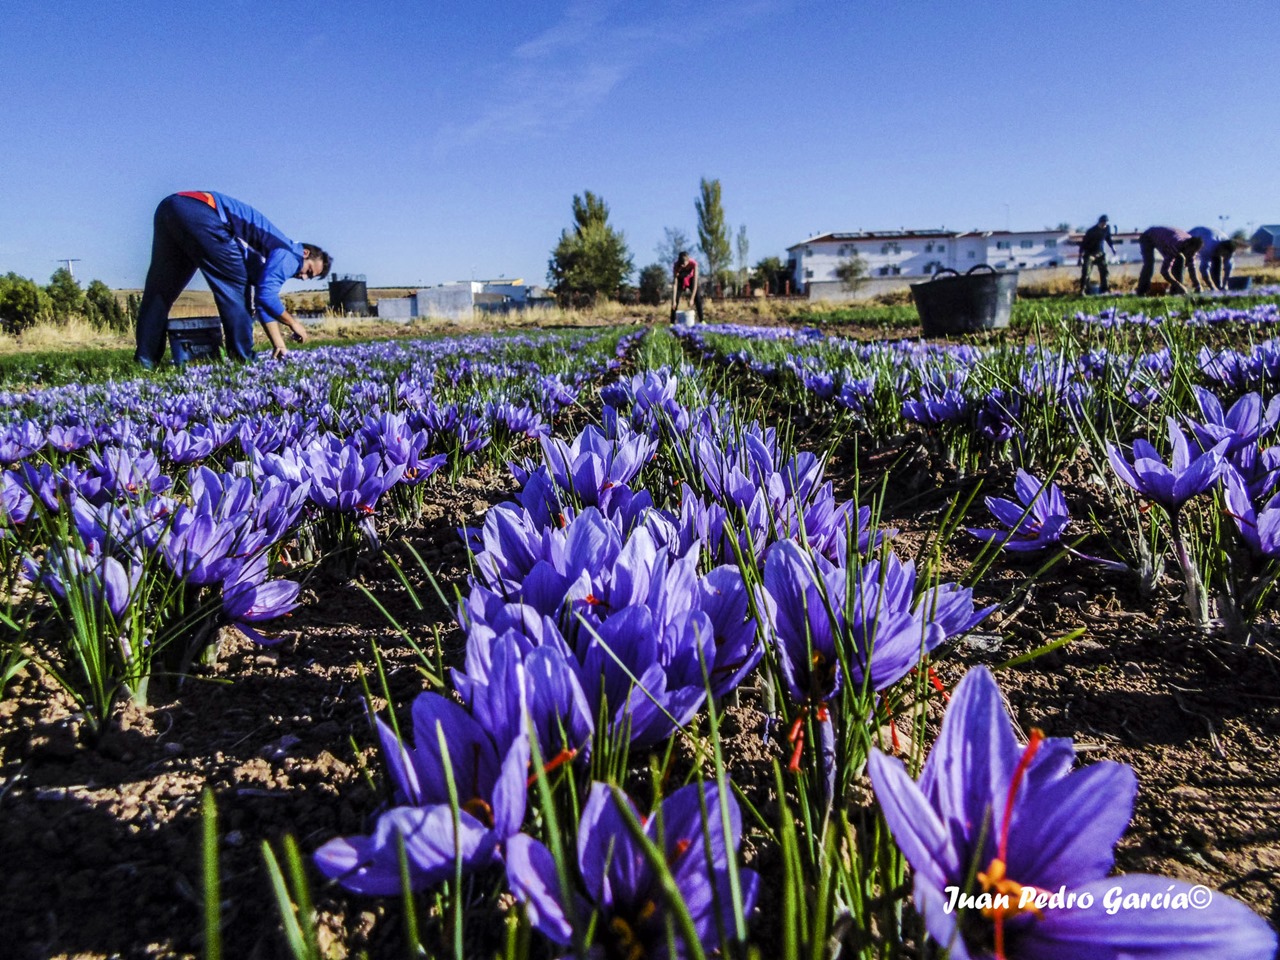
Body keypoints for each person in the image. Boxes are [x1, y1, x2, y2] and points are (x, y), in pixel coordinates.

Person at [134, 191, 330, 367]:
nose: (303, 277)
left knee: (160, 292)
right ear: (305, 253)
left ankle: (145, 361)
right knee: (237, 286)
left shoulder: (270, 256)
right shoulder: (289, 254)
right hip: (205, 212)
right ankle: (242, 360)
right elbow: (265, 297)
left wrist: (279, 344)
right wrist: (293, 322)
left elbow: (264, 303)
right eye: (309, 271)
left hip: (172, 206)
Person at [1135, 226, 1203, 296]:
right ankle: (1141, 292)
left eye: (1193, 253)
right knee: (1149, 263)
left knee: (1180, 259)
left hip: (1165, 238)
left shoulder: (1191, 248)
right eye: (1190, 253)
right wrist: (1178, 285)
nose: (1190, 255)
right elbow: (1164, 271)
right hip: (1148, 237)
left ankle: (1175, 292)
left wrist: (1198, 285)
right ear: (1186, 245)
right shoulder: (1174, 245)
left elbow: (1192, 268)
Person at [1077, 214, 1117, 294]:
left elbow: (1108, 238)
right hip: (1089, 254)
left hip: (1100, 254)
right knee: (1086, 272)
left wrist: (1112, 247)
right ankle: (1083, 290)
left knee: (1104, 271)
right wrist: (1080, 257)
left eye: (1105, 223)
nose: (1104, 225)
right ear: (1099, 222)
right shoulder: (1091, 231)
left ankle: (1105, 290)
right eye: (1103, 223)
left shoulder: (1107, 229)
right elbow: (1083, 245)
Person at [1189, 226, 1236, 291]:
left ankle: (1219, 286)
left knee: (1217, 260)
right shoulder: (1208, 246)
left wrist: (1225, 285)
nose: (1224, 257)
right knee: (1186, 261)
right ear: (1221, 248)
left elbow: (1229, 267)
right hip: (1194, 235)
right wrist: (1212, 287)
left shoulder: (1229, 248)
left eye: (1225, 255)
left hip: (1212, 237)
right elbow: (1204, 269)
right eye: (1223, 254)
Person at [670, 250, 703, 323]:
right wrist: (674, 300)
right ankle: (672, 322)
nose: (682, 266)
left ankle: (702, 320)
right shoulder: (676, 265)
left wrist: (692, 298)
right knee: (675, 301)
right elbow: (675, 284)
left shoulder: (694, 264)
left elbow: (695, 283)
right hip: (680, 280)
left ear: (688, 261)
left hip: (691, 280)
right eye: (680, 264)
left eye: (684, 264)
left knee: (697, 298)